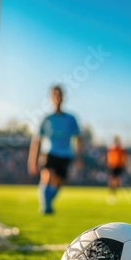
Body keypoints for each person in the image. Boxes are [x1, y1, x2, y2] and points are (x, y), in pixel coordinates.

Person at [28, 85, 83, 214]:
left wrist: (79, 157)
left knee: (58, 183)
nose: (57, 98)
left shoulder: (71, 119)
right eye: (55, 95)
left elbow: (79, 138)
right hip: (50, 153)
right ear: (51, 98)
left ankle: (48, 202)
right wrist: (32, 160)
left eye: (60, 95)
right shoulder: (47, 119)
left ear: (63, 98)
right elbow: (37, 141)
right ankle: (45, 206)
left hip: (65, 155)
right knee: (47, 177)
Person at [106, 136, 126, 203]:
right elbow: (109, 156)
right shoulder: (112, 148)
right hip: (113, 165)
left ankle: (114, 192)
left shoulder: (121, 149)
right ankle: (112, 192)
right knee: (112, 180)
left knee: (116, 180)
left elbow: (123, 157)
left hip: (118, 166)